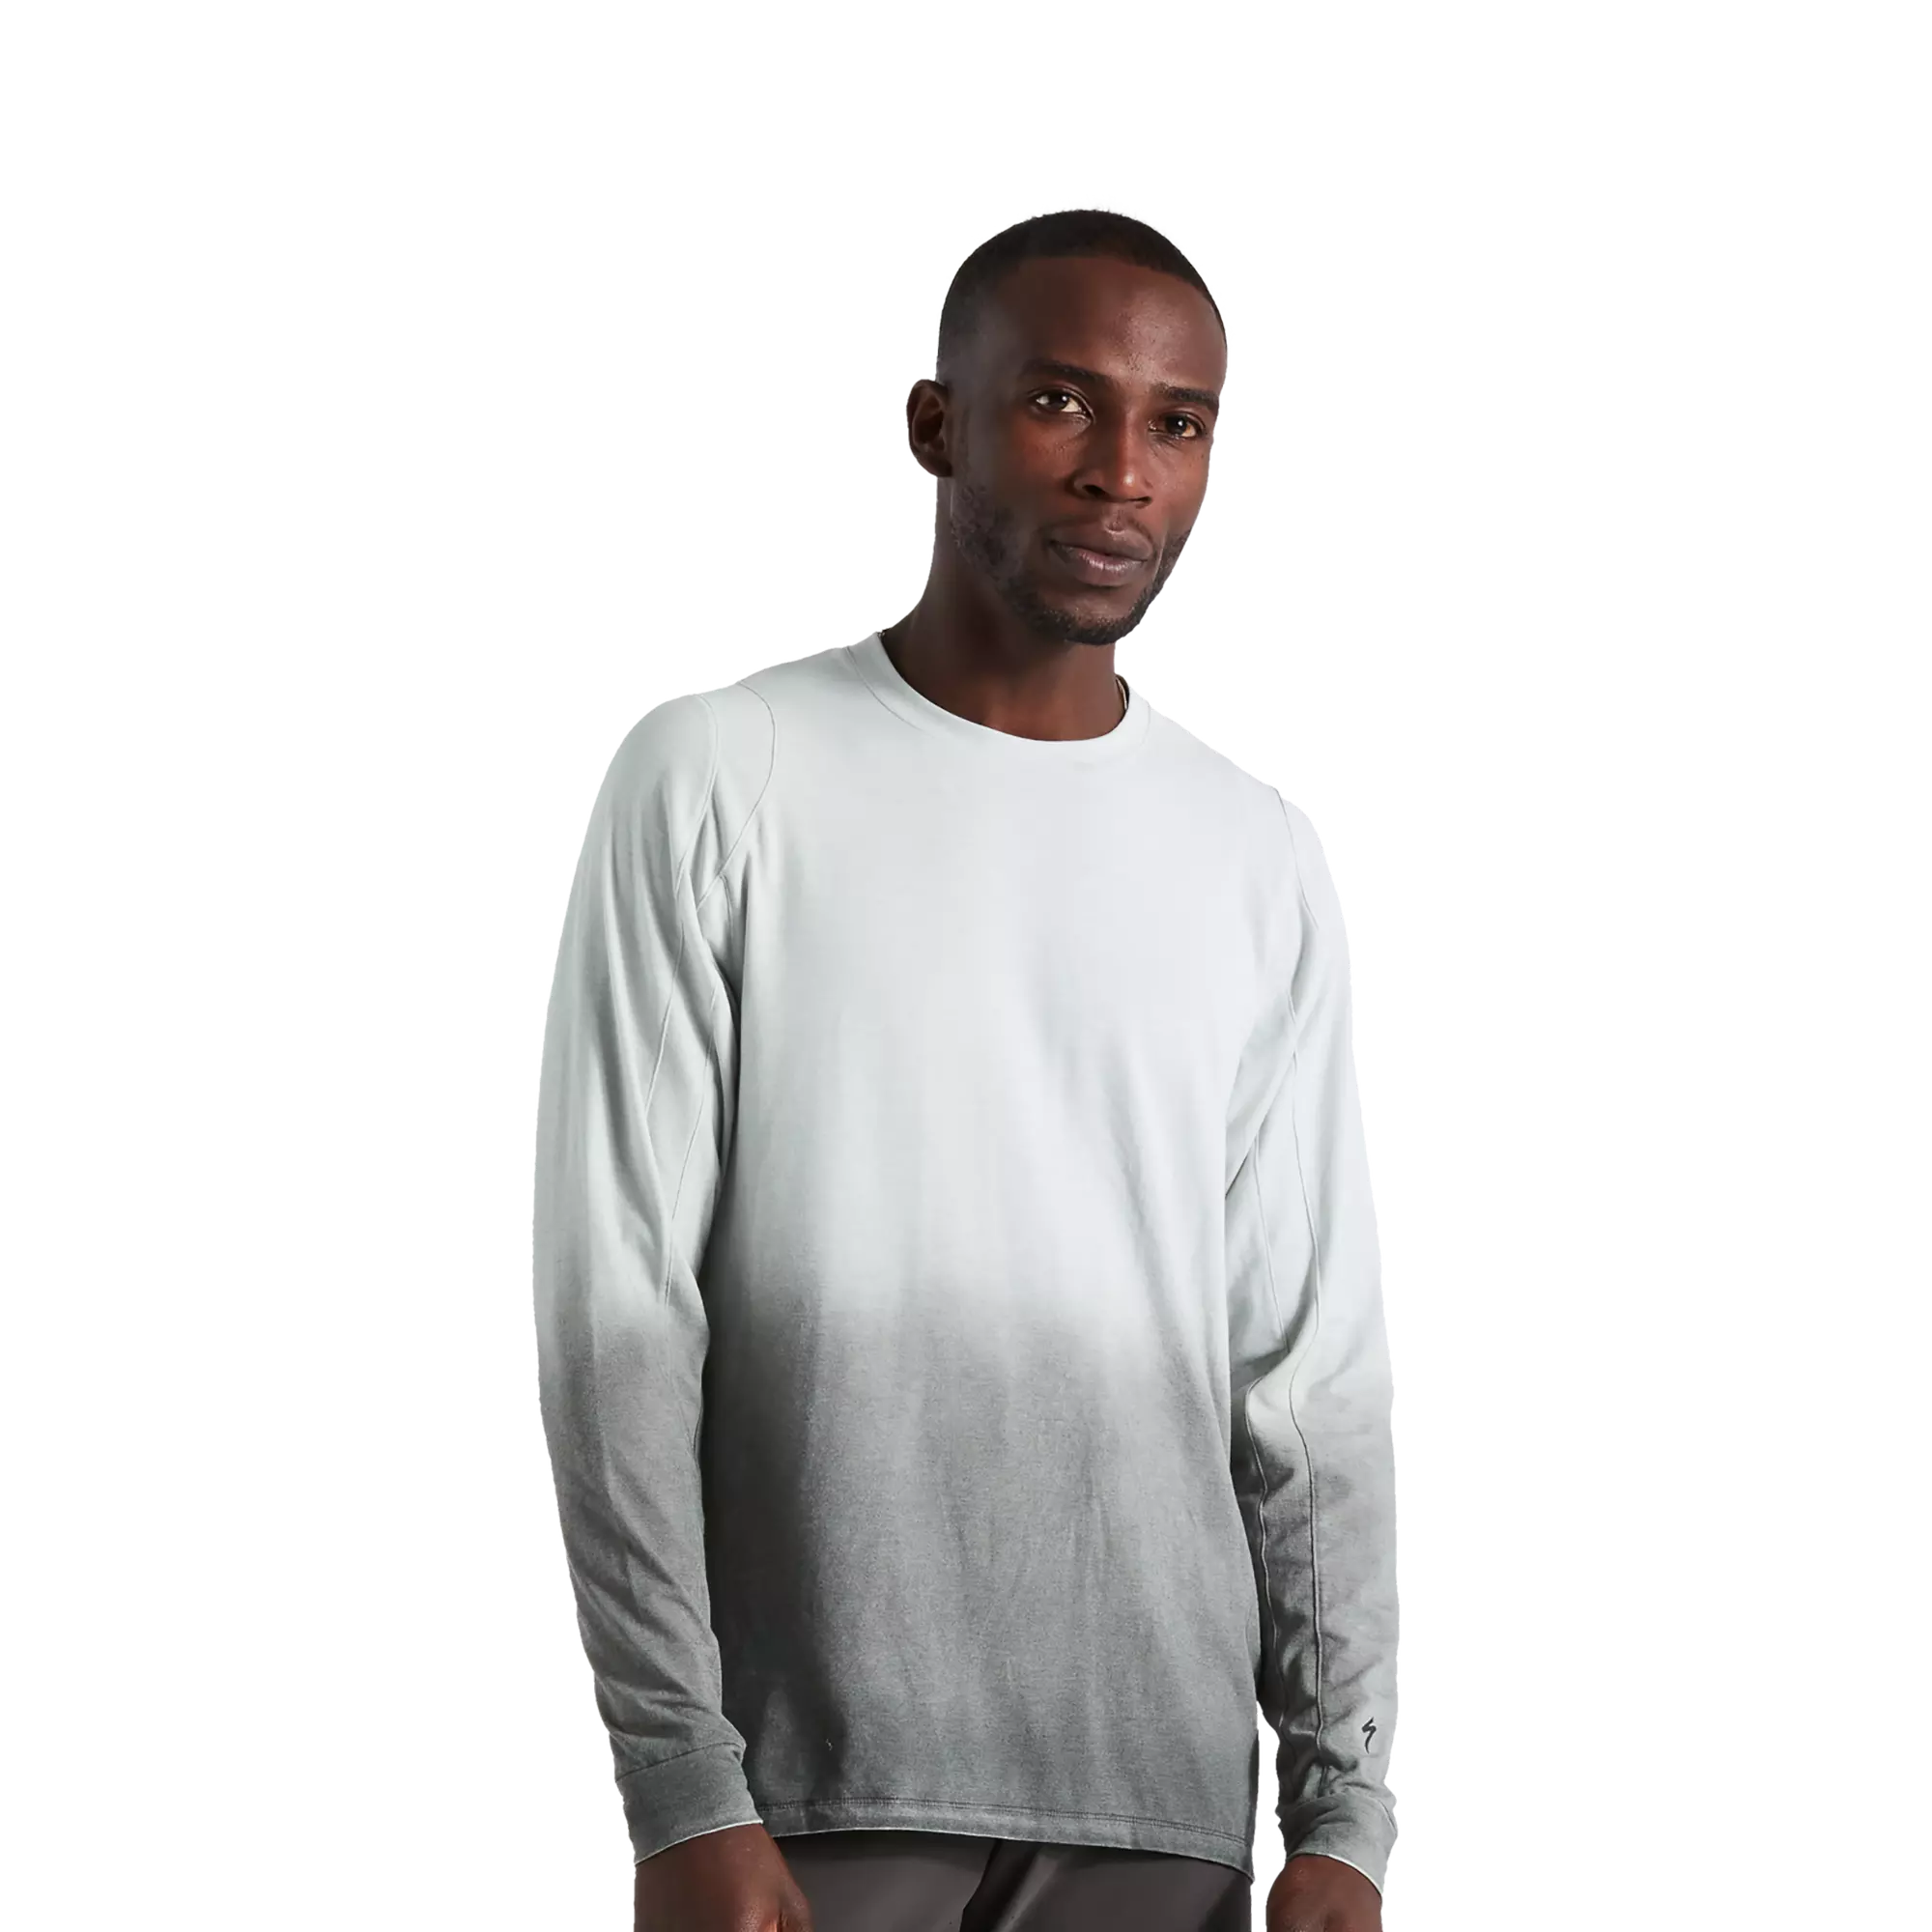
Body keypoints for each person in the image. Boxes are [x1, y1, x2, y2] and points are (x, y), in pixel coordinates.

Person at [531, 194, 1399, 1932]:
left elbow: (1311, 1373)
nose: (1122, 473)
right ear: (935, 424)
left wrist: (1342, 1813)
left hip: (1166, 1812)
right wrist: (678, 1780)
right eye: (1061, 401)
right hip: (806, 1795)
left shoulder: (1260, 854)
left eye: (1179, 424)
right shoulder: (720, 773)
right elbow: (614, 1307)